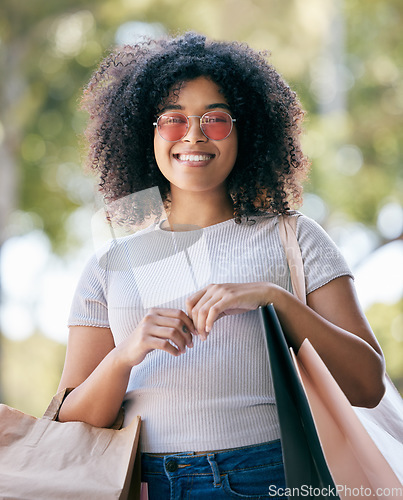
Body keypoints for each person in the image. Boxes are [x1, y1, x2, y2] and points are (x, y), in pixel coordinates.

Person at [57, 32, 386, 498]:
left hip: (275, 475)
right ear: (143, 133)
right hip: (149, 483)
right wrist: (127, 352)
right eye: (173, 120)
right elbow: (71, 418)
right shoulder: (111, 264)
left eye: (215, 119)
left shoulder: (296, 237)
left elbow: (368, 385)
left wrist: (276, 301)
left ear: (245, 131)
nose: (193, 134)